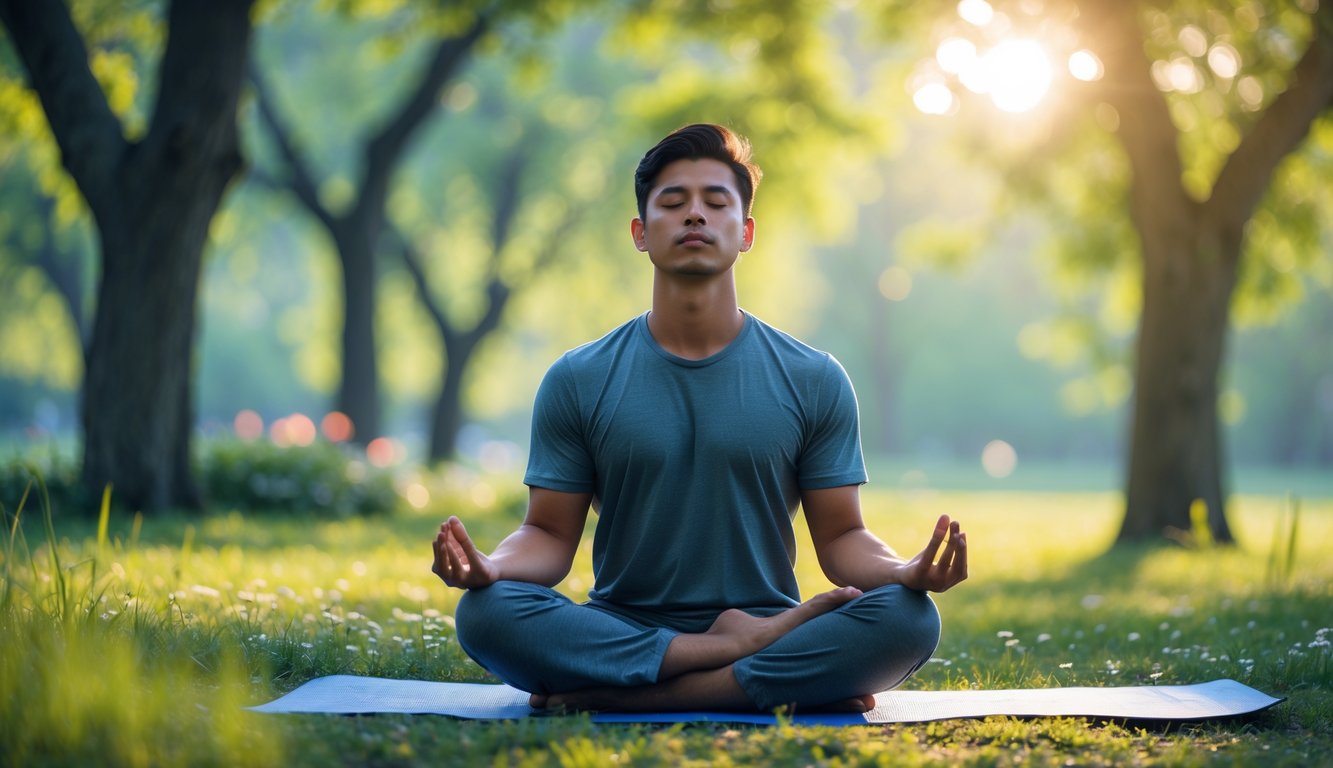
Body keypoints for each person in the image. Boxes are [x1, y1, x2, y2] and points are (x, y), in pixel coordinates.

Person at [432, 123, 968, 714]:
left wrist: (904, 569)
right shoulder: (577, 378)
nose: (695, 216)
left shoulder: (814, 378)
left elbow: (842, 538)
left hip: (769, 622)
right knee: (486, 611)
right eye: (673, 202)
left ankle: (626, 693)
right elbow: (550, 535)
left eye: (716, 202)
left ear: (746, 232)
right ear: (640, 233)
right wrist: (492, 566)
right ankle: (741, 667)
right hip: (624, 625)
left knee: (908, 616)